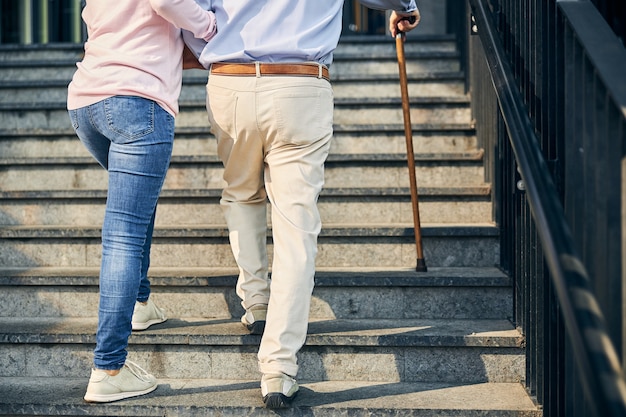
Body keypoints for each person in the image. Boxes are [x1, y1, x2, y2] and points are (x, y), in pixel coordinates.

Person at [183, 0, 420, 409]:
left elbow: (191, 10)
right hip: (300, 82)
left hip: (229, 81)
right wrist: (403, 6)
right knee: (295, 227)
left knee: (241, 192)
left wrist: (209, 43)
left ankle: (256, 299)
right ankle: (278, 367)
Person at [66, 0, 217, 403]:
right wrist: (210, 26)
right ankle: (108, 368)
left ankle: (140, 302)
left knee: (133, 212)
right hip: (137, 103)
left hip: (87, 104)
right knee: (125, 235)